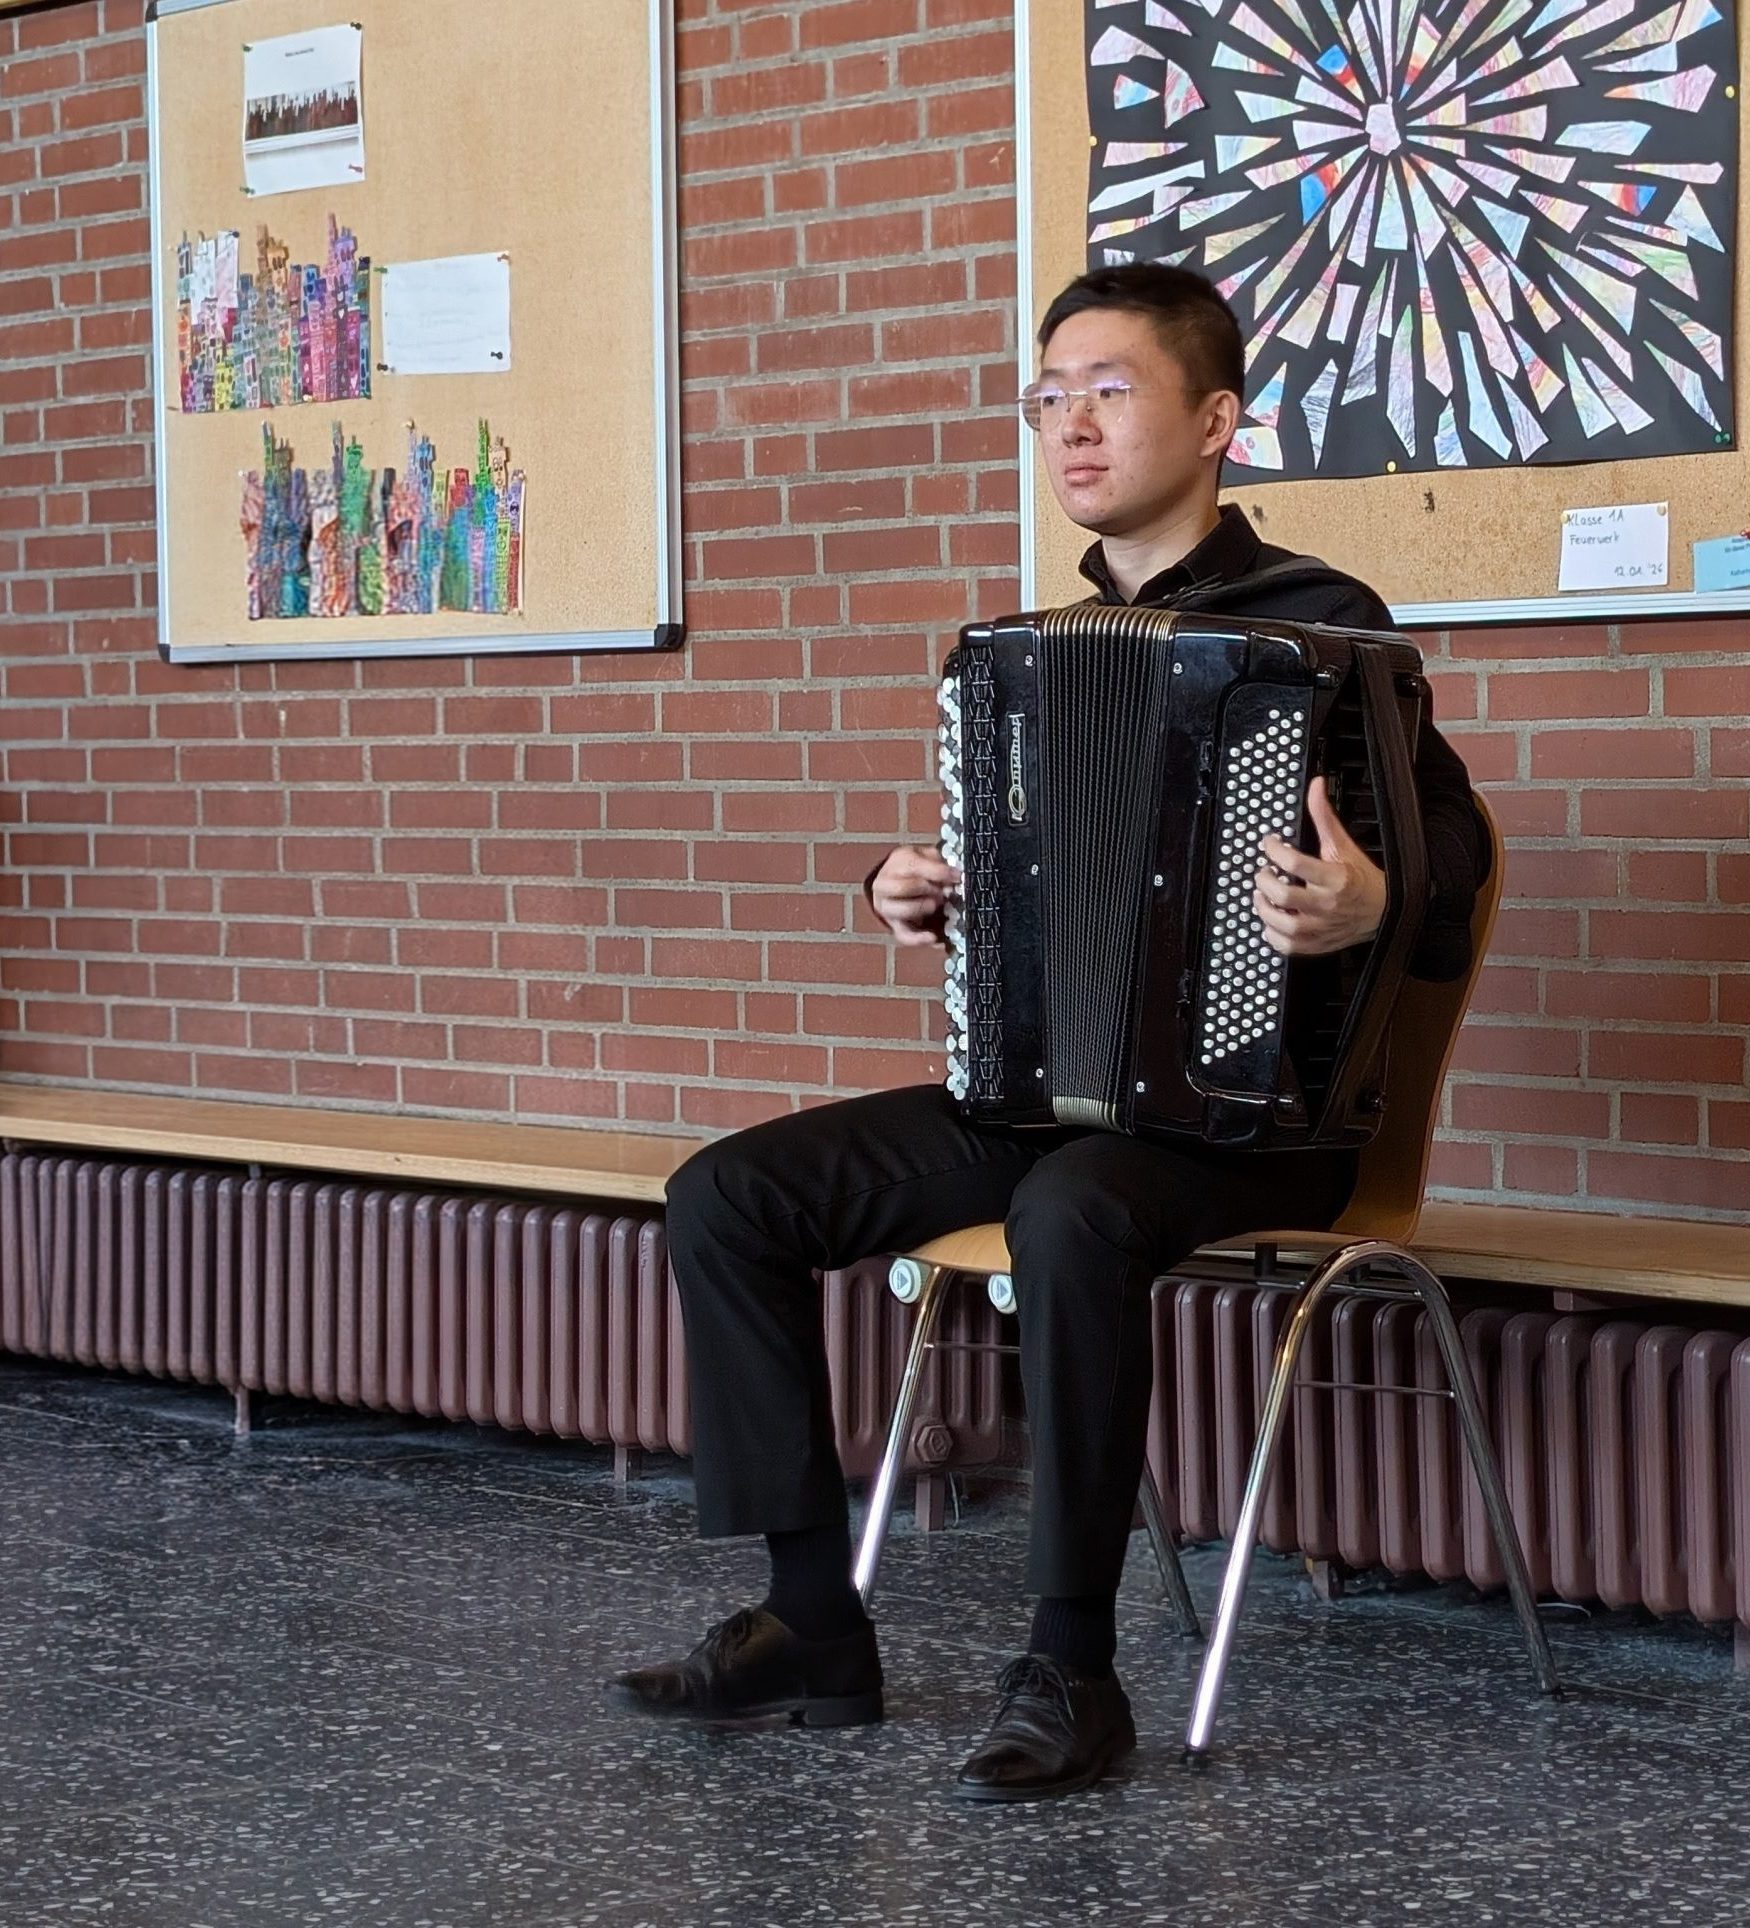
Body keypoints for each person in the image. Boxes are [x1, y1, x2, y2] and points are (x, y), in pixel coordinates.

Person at [608, 263, 1490, 1803]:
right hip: (1042, 1096)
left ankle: (1073, 1665)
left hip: (1253, 1120)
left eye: (1108, 391)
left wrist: (1373, 899)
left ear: (1214, 421)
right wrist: (910, 884)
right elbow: (1021, 876)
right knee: (726, 1196)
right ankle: (812, 1620)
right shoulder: (1030, 653)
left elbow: (1456, 852)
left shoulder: (1324, 626)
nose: (1069, 425)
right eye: (1047, 398)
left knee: (1071, 1213)